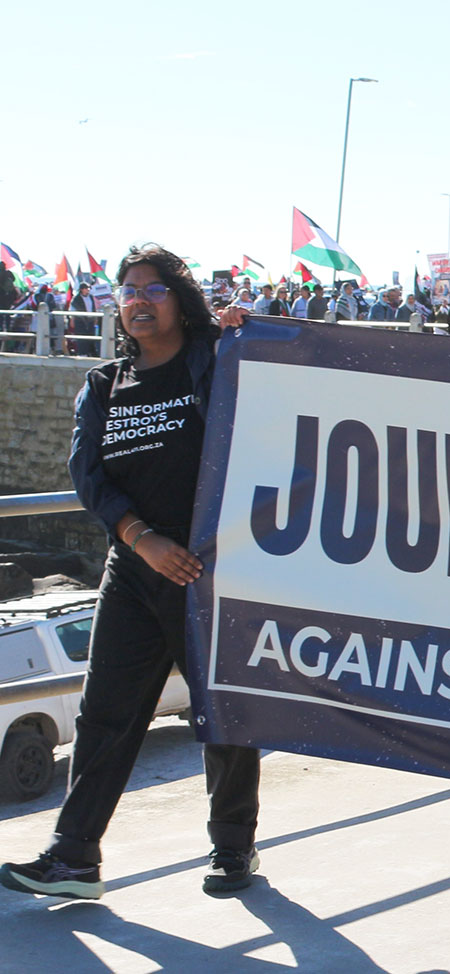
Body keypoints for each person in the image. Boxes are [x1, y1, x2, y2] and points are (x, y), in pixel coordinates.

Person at [0, 245, 262, 901]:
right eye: (127, 290)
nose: (138, 300)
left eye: (154, 288)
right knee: (103, 715)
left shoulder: (215, 360)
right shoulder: (104, 384)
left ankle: (234, 848)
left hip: (209, 569)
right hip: (135, 565)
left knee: (222, 711)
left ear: (181, 299)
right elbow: (88, 475)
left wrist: (250, 333)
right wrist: (141, 540)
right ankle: (74, 858)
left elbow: (290, 395)